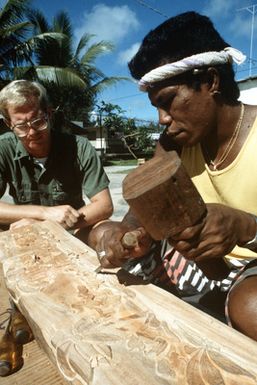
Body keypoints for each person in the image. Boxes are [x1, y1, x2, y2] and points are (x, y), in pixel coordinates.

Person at [88, 11, 257, 341]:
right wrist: (131, 232)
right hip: (197, 264)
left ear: (210, 81)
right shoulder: (172, 145)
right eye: (156, 107)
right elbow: (144, 206)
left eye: (168, 101)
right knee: (102, 233)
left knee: (250, 307)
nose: (162, 119)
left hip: (250, 268)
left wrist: (246, 227)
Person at [0, 80, 113, 231]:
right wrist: (45, 213)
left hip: (71, 229)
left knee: (105, 230)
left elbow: (104, 205)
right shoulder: (3, 148)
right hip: (24, 229)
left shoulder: (79, 147)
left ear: (49, 114)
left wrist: (47, 226)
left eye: (38, 121)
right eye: (21, 126)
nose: (32, 133)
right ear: (9, 124)